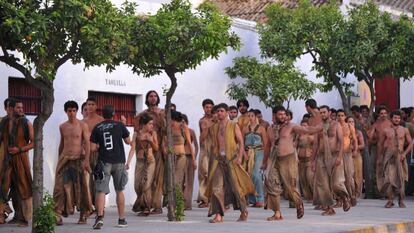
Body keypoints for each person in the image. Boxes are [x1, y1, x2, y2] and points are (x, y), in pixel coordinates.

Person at [263, 106, 321, 221]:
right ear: (274, 115)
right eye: (280, 114)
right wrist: (264, 162)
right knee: (271, 184)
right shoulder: (270, 129)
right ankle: (277, 213)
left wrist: (321, 126)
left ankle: (298, 203)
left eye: (284, 114)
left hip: (288, 159)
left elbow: (307, 130)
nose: (283, 116)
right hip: (274, 159)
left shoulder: (291, 126)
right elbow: (268, 146)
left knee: (290, 186)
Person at [205, 103, 255, 223]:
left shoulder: (233, 125)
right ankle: (218, 215)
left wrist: (239, 157)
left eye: (222, 111)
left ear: (227, 112)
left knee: (237, 188)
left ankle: (244, 211)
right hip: (219, 160)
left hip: (232, 160)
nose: (219, 113)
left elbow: (241, 142)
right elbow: (213, 145)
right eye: (218, 111)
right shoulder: (214, 127)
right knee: (217, 187)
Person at [90, 105, 131, 229]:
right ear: (113, 114)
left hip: (104, 162)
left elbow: (92, 148)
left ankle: (100, 217)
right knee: (119, 190)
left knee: (101, 190)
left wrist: (100, 146)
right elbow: (128, 141)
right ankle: (122, 219)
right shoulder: (119, 125)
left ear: (103, 114)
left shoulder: (97, 127)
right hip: (119, 162)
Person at [54, 101, 92, 225]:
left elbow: (86, 143)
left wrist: (86, 160)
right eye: (69, 110)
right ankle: (57, 214)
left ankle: (83, 215)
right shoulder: (62, 126)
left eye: (74, 110)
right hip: (64, 159)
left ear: (77, 111)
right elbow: (62, 144)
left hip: (78, 159)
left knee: (81, 188)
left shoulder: (82, 125)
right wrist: (59, 160)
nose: (72, 113)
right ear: (66, 111)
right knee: (59, 188)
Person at [0, 99, 34, 227]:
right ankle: (12, 215)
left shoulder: (26, 122)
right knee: (5, 187)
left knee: (23, 188)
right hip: (7, 160)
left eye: (21, 107)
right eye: (17, 107)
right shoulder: (4, 122)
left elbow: (34, 142)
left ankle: (24, 218)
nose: (20, 109)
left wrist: (19, 149)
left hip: (21, 159)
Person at [312, 105, 349, 216]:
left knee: (336, 183)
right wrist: (312, 161)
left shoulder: (336, 125)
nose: (322, 114)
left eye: (324, 112)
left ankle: (344, 197)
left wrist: (339, 157)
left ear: (329, 113)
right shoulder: (318, 127)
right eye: (321, 113)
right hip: (321, 157)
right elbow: (315, 145)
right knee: (323, 184)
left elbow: (341, 142)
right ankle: (329, 208)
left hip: (334, 156)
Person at [134, 90, 165, 214]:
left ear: (157, 99)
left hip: (158, 146)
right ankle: (144, 204)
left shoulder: (161, 113)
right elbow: (137, 128)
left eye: (155, 96)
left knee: (157, 178)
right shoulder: (142, 114)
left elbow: (165, 130)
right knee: (144, 178)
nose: (153, 98)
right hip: (144, 149)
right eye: (150, 96)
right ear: (147, 99)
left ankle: (157, 205)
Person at [377, 111, 413, 208]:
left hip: (400, 155)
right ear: (391, 118)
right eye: (395, 118)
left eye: (398, 118)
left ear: (400, 119)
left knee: (400, 178)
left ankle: (401, 200)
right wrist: (380, 157)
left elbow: (411, 143)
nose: (397, 119)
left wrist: (405, 153)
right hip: (388, 155)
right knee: (389, 178)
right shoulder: (385, 130)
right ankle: (390, 200)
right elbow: (380, 144)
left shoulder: (404, 130)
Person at [126, 113, 158, 216]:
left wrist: (151, 141)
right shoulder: (137, 134)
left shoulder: (153, 134)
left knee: (146, 185)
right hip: (140, 162)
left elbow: (156, 148)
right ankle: (140, 205)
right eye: (150, 124)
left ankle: (146, 207)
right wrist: (128, 162)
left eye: (152, 124)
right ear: (144, 124)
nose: (151, 126)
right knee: (137, 186)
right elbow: (132, 149)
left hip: (150, 162)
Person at [168, 111, 196, 201]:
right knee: (170, 181)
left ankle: (179, 203)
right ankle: (172, 203)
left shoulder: (183, 127)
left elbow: (189, 144)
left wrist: (194, 160)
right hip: (171, 157)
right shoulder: (168, 128)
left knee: (177, 181)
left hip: (181, 156)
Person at [242, 109, 268, 207]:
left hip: (259, 152)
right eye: (248, 116)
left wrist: (266, 158)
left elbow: (266, 144)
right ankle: (252, 199)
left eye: (252, 115)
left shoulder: (261, 128)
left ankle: (260, 198)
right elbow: (241, 143)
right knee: (249, 175)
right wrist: (244, 154)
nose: (250, 118)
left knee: (257, 175)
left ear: (255, 117)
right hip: (248, 153)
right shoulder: (245, 129)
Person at [83, 97, 104, 209]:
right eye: (88, 104)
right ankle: (88, 205)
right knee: (87, 181)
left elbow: (104, 137)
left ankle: (99, 205)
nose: (90, 106)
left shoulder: (101, 120)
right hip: (86, 154)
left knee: (99, 179)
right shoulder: (82, 122)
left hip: (98, 154)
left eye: (92, 104)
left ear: (96, 106)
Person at [368, 106, 392, 194]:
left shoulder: (391, 124)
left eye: (385, 113)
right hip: (377, 149)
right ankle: (378, 192)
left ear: (388, 114)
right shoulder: (375, 124)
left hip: (388, 150)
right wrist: (373, 139)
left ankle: (388, 192)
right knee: (376, 170)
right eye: (381, 113)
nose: (383, 115)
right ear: (378, 114)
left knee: (387, 171)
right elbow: (370, 138)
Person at [336, 110, 357, 207]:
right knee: (338, 179)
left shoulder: (349, 126)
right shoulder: (335, 126)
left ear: (345, 117)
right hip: (337, 154)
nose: (340, 117)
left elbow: (355, 139)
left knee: (349, 177)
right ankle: (341, 199)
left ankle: (352, 196)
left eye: (342, 115)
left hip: (347, 154)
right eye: (338, 115)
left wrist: (355, 150)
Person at [198, 99, 214, 208]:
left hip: (215, 147)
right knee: (203, 173)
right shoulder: (202, 121)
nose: (208, 109)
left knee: (214, 174)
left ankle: (215, 199)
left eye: (210, 107)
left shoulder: (217, 119)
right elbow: (202, 136)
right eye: (206, 107)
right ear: (203, 108)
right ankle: (204, 199)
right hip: (205, 148)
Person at [296, 119, 315, 201]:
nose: (303, 127)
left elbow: (315, 148)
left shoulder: (311, 136)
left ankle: (316, 195)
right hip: (301, 160)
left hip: (309, 160)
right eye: (302, 126)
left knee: (309, 178)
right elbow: (295, 147)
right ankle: (309, 196)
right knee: (303, 179)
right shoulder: (298, 136)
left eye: (305, 126)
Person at [347, 116, 365, 199]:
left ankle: (357, 194)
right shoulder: (344, 132)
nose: (350, 123)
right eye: (349, 121)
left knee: (357, 176)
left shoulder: (358, 132)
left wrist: (354, 148)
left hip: (356, 156)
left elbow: (362, 145)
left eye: (352, 122)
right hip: (347, 156)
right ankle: (349, 193)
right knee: (348, 175)